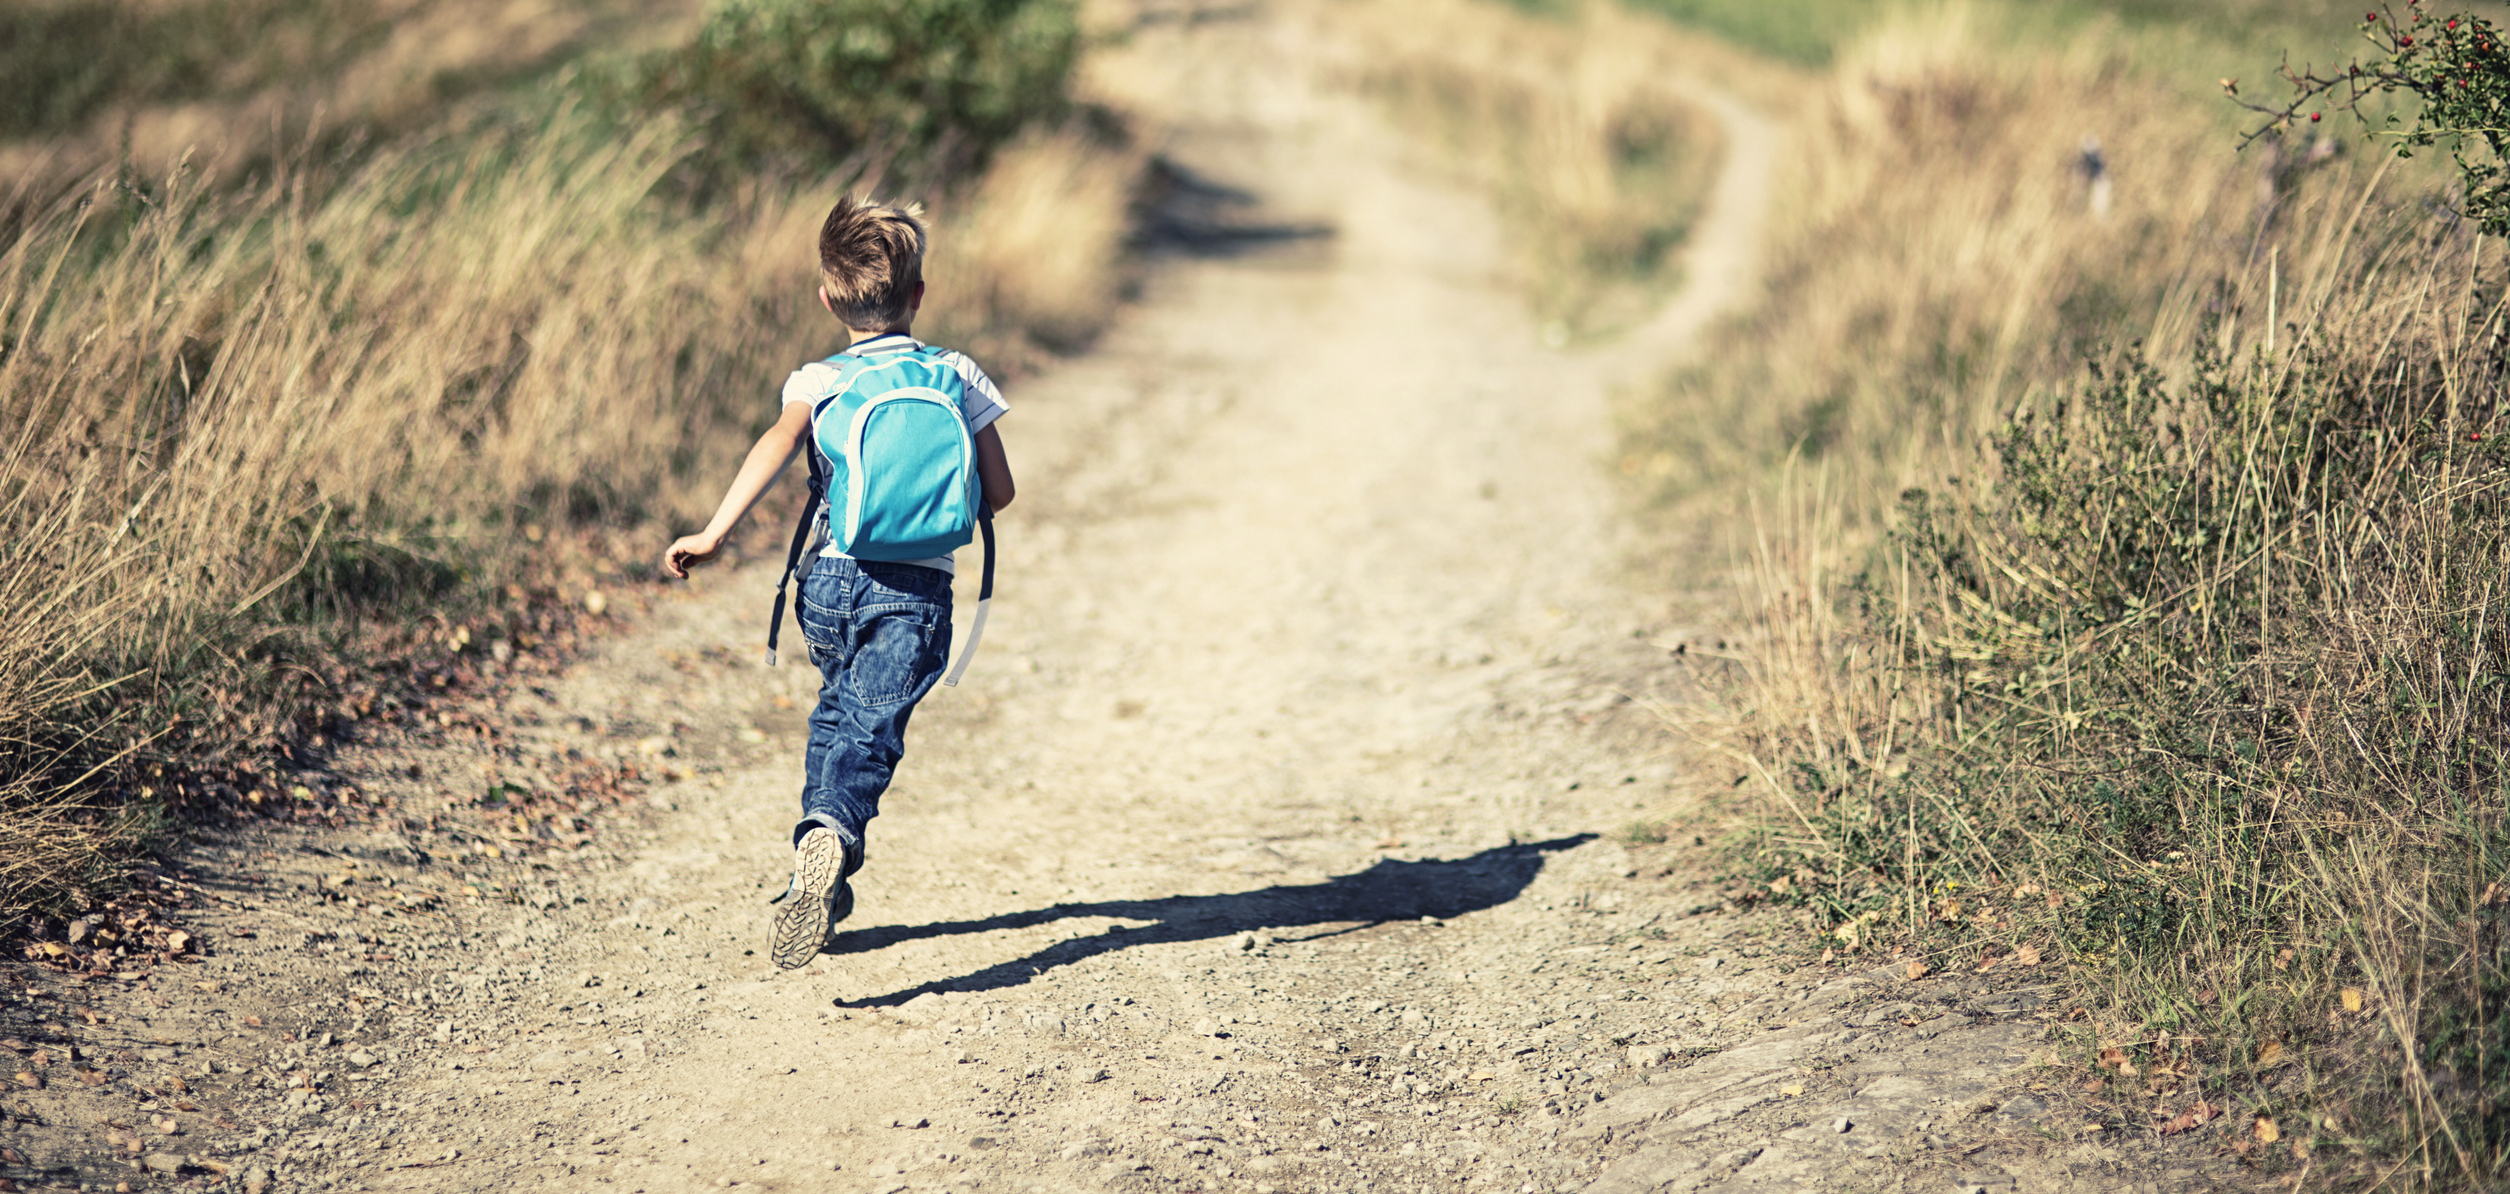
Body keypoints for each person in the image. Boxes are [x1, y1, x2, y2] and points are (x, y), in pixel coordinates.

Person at [663, 197, 1016, 969]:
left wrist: (714, 533)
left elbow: (776, 445)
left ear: (828, 299)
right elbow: (1000, 492)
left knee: (839, 712)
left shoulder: (817, 378)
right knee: (868, 730)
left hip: (827, 581)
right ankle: (829, 837)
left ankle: (817, 864)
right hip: (914, 594)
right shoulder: (955, 373)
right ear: (918, 295)